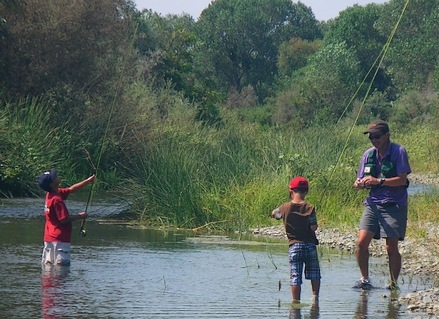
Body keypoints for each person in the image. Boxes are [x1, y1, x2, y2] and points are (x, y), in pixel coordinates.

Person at [353, 120, 411, 290]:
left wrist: (379, 181)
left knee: (391, 246)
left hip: (394, 204)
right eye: (371, 137)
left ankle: (393, 283)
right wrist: (359, 183)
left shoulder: (398, 151)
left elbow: (402, 179)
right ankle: (364, 279)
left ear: (387, 136)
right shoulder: (368, 154)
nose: (374, 140)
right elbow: (359, 178)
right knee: (361, 243)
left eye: (377, 136)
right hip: (372, 204)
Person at [271, 176, 321, 303]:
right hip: (309, 246)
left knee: (295, 276)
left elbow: (274, 213)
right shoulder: (310, 208)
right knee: (314, 273)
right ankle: (315, 298)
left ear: (291, 191)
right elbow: (313, 227)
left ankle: (295, 301)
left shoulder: (284, 207)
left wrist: (279, 216)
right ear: (306, 191)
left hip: (294, 246)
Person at [38, 168, 95, 266]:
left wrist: (88, 181)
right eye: (55, 177)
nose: (57, 176)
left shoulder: (50, 194)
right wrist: (80, 216)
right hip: (60, 240)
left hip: (49, 239)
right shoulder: (57, 200)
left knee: (49, 268)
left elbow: (71, 189)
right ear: (52, 184)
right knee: (61, 270)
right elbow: (64, 219)